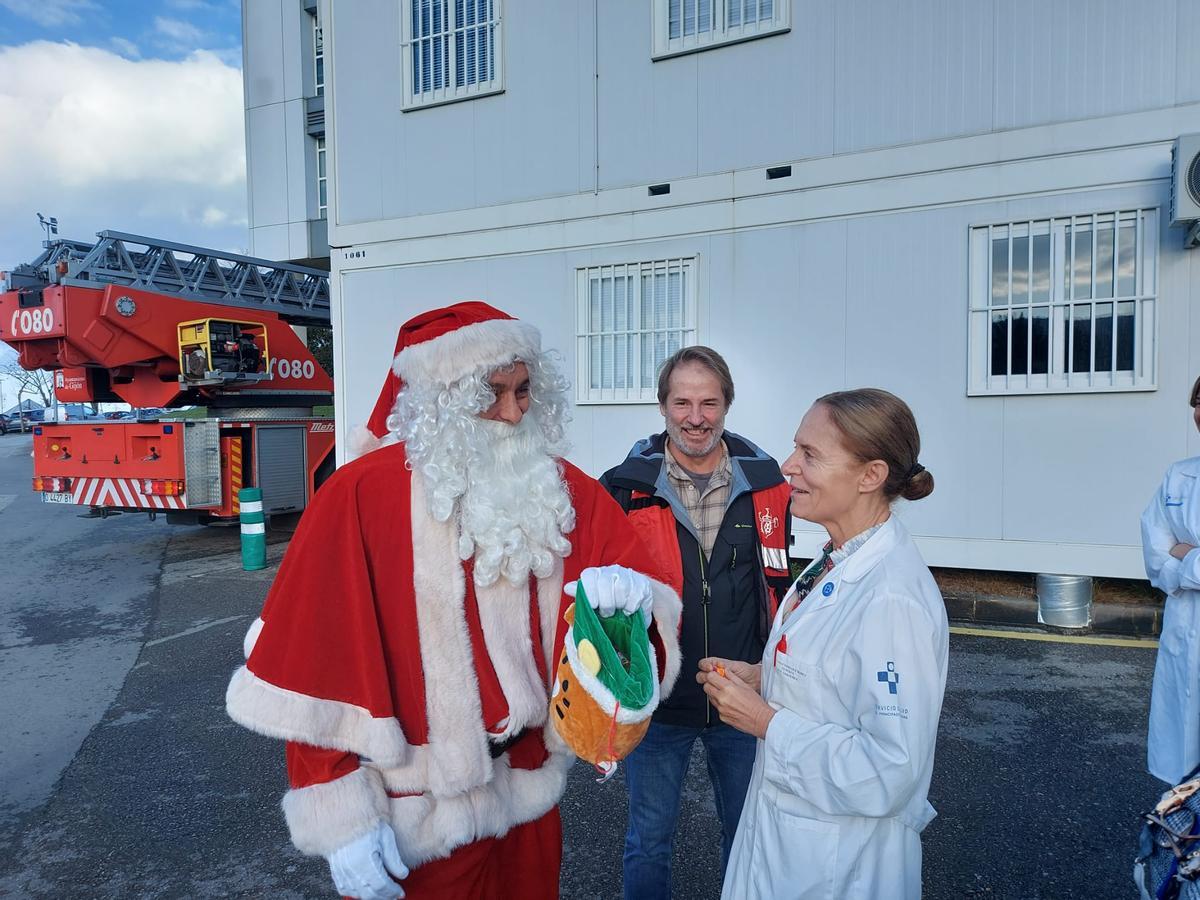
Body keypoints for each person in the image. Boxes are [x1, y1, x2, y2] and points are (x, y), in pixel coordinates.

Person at [225, 301, 682, 899]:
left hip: (525, 796)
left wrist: (632, 605)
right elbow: (314, 668)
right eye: (492, 395)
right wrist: (340, 818)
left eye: (523, 392)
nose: (514, 414)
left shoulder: (563, 490)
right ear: (444, 399)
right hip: (414, 813)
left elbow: (647, 609)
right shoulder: (359, 496)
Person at [698, 388, 947, 900]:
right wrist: (762, 677)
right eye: (796, 449)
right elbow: (834, 679)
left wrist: (766, 721)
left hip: (841, 866)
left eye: (809, 454)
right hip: (792, 841)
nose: (788, 466)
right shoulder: (836, 557)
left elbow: (889, 769)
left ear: (870, 475)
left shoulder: (892, 599)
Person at [598, 346, 793, 898]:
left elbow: (776, 584)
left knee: (749, 834)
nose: (696, 417)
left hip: (743, 695)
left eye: (709, 402)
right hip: (659, 701)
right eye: (682, 402)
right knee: (649, 839)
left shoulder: (766, 484)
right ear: (662, 408)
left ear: (727, 405)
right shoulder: (623, 487)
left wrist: (768, 671)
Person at [1141, 375, 1200, 785]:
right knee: (1184, 773)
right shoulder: (1179, 477)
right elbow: (1155, 556)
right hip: (1185, 628)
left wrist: (1186, 554)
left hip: (1185, 600)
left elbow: (1174, 555)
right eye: (1198, 401)